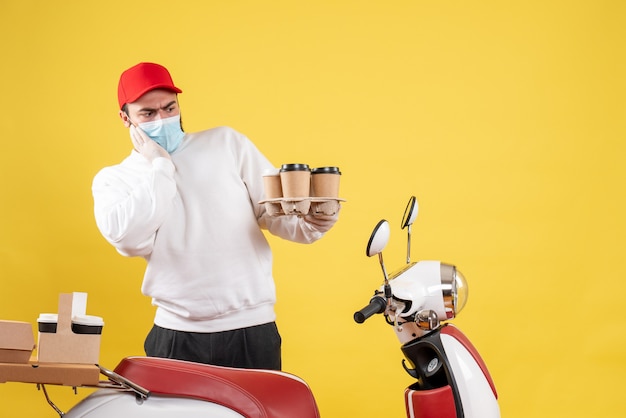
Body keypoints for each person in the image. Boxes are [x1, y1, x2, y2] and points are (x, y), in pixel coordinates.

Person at [92, 62, 339, 371]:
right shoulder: (115, 179)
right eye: (148, 114)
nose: (162, 120)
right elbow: (129, 240)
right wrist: (161, 167)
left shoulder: (227, 144)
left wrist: (315, 223)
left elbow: (274, 212)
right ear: (125, 118)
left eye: (170, 108)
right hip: (175, 335)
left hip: (252, 330)